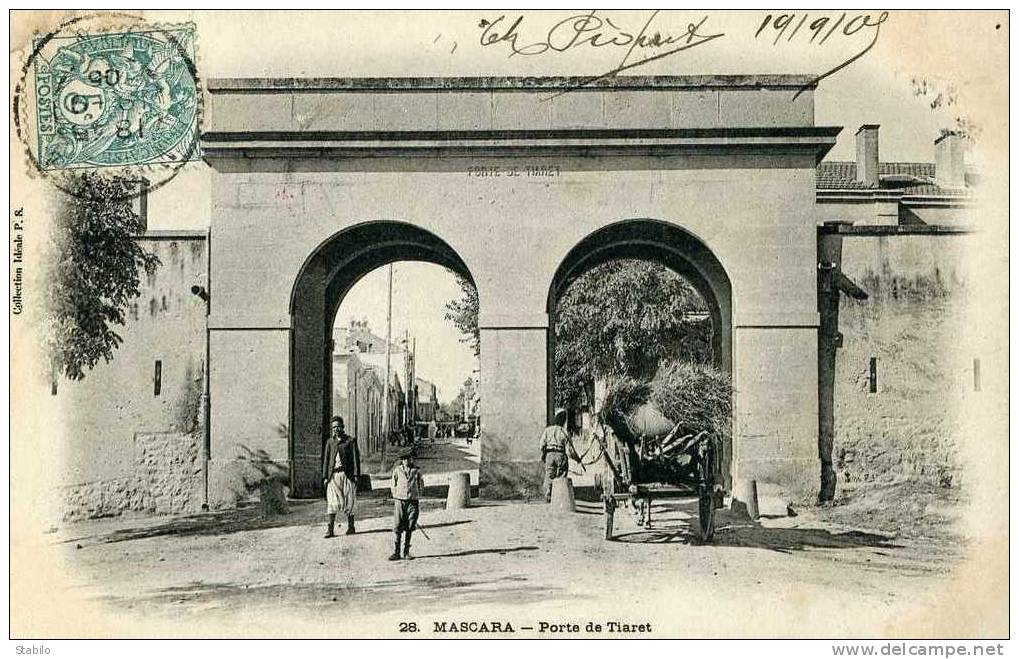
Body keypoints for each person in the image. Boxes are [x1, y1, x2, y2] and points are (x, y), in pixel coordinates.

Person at [322, 415, 361, 538]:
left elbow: (355, 460)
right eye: (334, 427)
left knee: (349, 501)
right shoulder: (330, 442)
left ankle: (351, 526)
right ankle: (330, 529)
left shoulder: (350, 441)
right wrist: (325, 477)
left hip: (347, 475)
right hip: (333, 476)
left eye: (338, 426)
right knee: (332, 502)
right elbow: (326, 460)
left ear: (343, 427)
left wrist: (355, 475)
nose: (336, 429)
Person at [389, 447, 425, 560]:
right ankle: (396, 552)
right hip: (400, 501)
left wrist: (417, 494)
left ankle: (406, 552)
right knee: (398, 525)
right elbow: (393, 485)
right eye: (406, 459)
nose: (408, 461)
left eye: (410, 459)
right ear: (402, 460)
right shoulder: (397, 470)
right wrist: (396, 495)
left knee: (410, 525)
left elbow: (421, 484)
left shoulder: (416, 471)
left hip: (412, 501)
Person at [539, 408, 581, 502]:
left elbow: (541, 444)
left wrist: (543, 454)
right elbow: (570, 451)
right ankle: (560, 497)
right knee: (561, 476)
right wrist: (577, 459)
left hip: (549, 455)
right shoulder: (564, 432)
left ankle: (548, 495)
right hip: (561, 455)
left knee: (549, 475)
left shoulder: (548, 430)